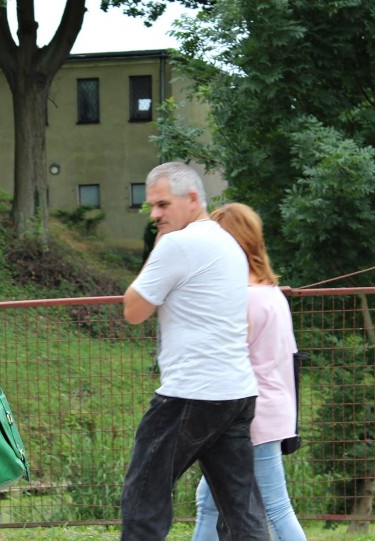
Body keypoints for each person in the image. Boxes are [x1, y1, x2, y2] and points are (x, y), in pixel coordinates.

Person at [120, 161, 268, 541]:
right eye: (151, 206)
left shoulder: (177, 244)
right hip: (236, 392)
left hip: (189, 393)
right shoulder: (228, 242)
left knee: (144, 496)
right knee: (242, 511)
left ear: (192, 199)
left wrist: (156, 255)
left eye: (163, 205)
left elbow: (134, 311)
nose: (154, 214)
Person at [192, 202, 307, 541]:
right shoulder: (271, 294)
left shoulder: (241, 298)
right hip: (270, 411)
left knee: (275, 506)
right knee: (209, 499)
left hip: (251, 417)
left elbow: (220, 357)